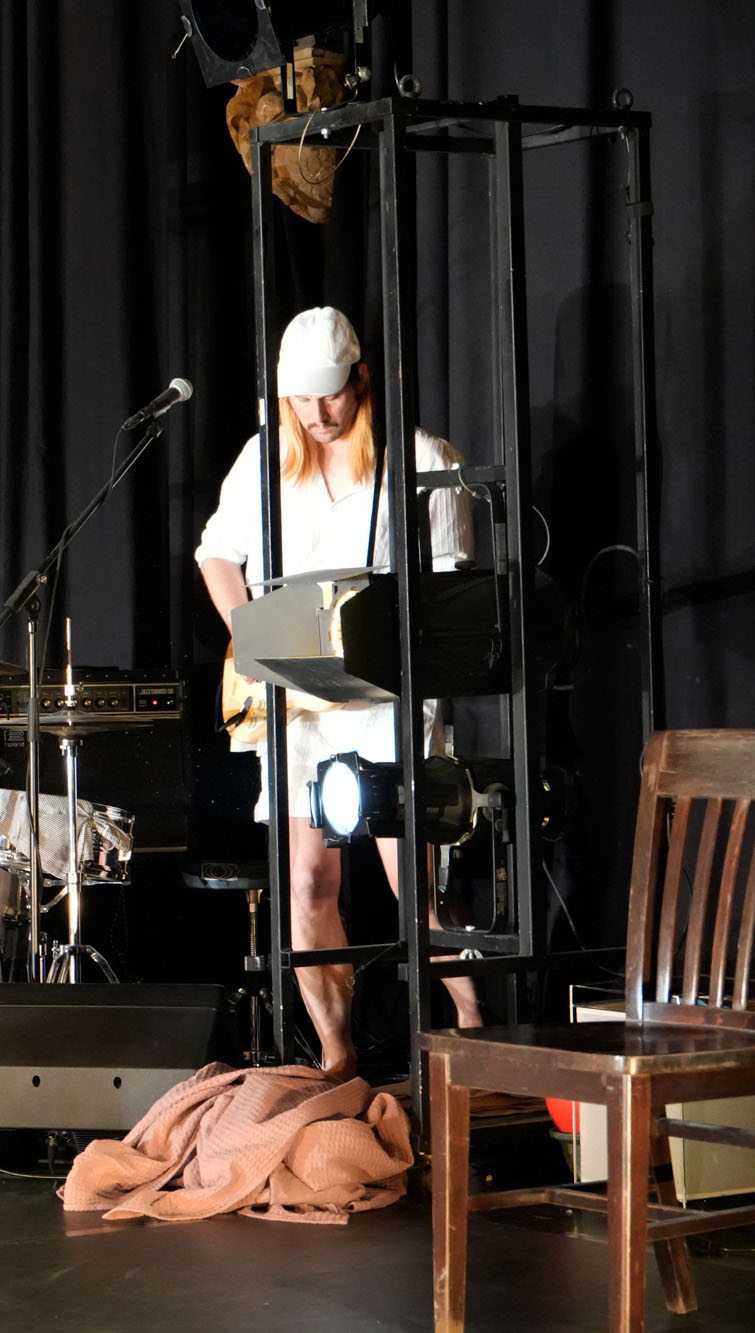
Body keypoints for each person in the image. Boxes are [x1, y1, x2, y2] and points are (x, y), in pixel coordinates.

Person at [194, 306, 482, 1080]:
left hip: (387, 692)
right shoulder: (265, 458)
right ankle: (337, 1055)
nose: (317, 413)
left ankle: (477, 1028)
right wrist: (253, 632)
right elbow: (217, 553)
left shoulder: (418, 458)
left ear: (361, 379)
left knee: (413, 885)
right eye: (301, 398)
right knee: (307, 880)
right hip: (298, 690)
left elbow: (453, 588)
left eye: (330, 394)